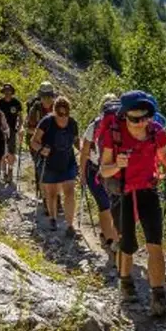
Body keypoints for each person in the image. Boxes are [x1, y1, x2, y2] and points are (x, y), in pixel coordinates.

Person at [97, 90, 166, 317]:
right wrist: (117, 165)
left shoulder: (155, 132)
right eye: (135, 118)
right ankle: (125, 283)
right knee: (127, 242)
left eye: (146, 117)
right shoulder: (114, 135)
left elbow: (164, 156)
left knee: (155, 243)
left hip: (148, 190)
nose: (142, 122)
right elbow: (103, 169)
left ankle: (158, 296)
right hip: (123, 192)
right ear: (125, 116)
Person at [31, 94, 80, 237]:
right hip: (50, 163)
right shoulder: (46, 122)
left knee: (70, 192)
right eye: (60, 113)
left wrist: (83, 149)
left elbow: (76, 141)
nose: (63, 117)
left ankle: (70, 225)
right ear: (54, 111)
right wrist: (41, 149)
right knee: (52, 194)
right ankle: (53, 218)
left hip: (68, 162)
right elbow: (34, 141)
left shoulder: (72, 123)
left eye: (66, 113)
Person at [81, 93, 121, 251]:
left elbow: (85, 152)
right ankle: (112, 239)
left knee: (105, 206)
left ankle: (110, 239)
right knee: (110, 206)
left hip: (95, 170)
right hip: (114, 171)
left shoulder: (95, 124)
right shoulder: (120, 125)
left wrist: (82, 173)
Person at [25, 81, 57, 195]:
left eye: (49, 96)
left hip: (53, 143)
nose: (47, 99)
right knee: (40, 167)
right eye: (44, 96)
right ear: (40, 96)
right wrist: (42, 132)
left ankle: (54, 197)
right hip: (36, 143)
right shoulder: (36, 109)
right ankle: (42, 193)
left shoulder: (57, 108)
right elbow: (28, 129)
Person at [0, 82, 22, 186]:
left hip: (12, 130)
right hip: (1, 130)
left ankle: (10, 170)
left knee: (11, 152)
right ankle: (4, 173)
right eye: (5, 91)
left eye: (9, 91)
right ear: (3, 92)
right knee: (2, 153)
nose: (7, 93)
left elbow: (20, 116)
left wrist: (20, 127)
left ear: (12, 92)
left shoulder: (16, 103)